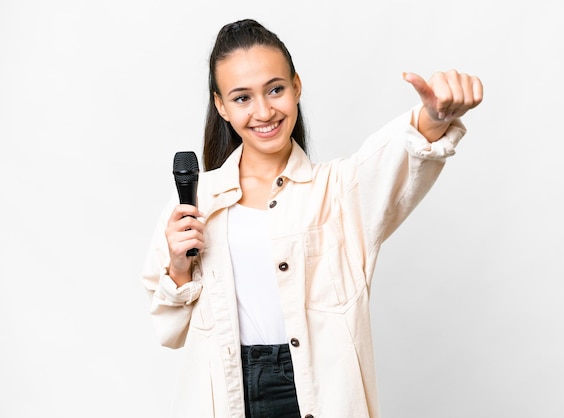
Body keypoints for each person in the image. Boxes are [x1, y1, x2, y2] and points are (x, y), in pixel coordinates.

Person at [142, 18, 482, 418]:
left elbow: (390, 160)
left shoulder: (337, 191)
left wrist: (432, 118)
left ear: (296, 87)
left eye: (275, 89)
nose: (264, 111)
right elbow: (170, 330)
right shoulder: (197, 200)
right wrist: (180, 267)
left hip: (315, 390)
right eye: (242, 98)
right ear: (221, 106)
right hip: (228, 387)